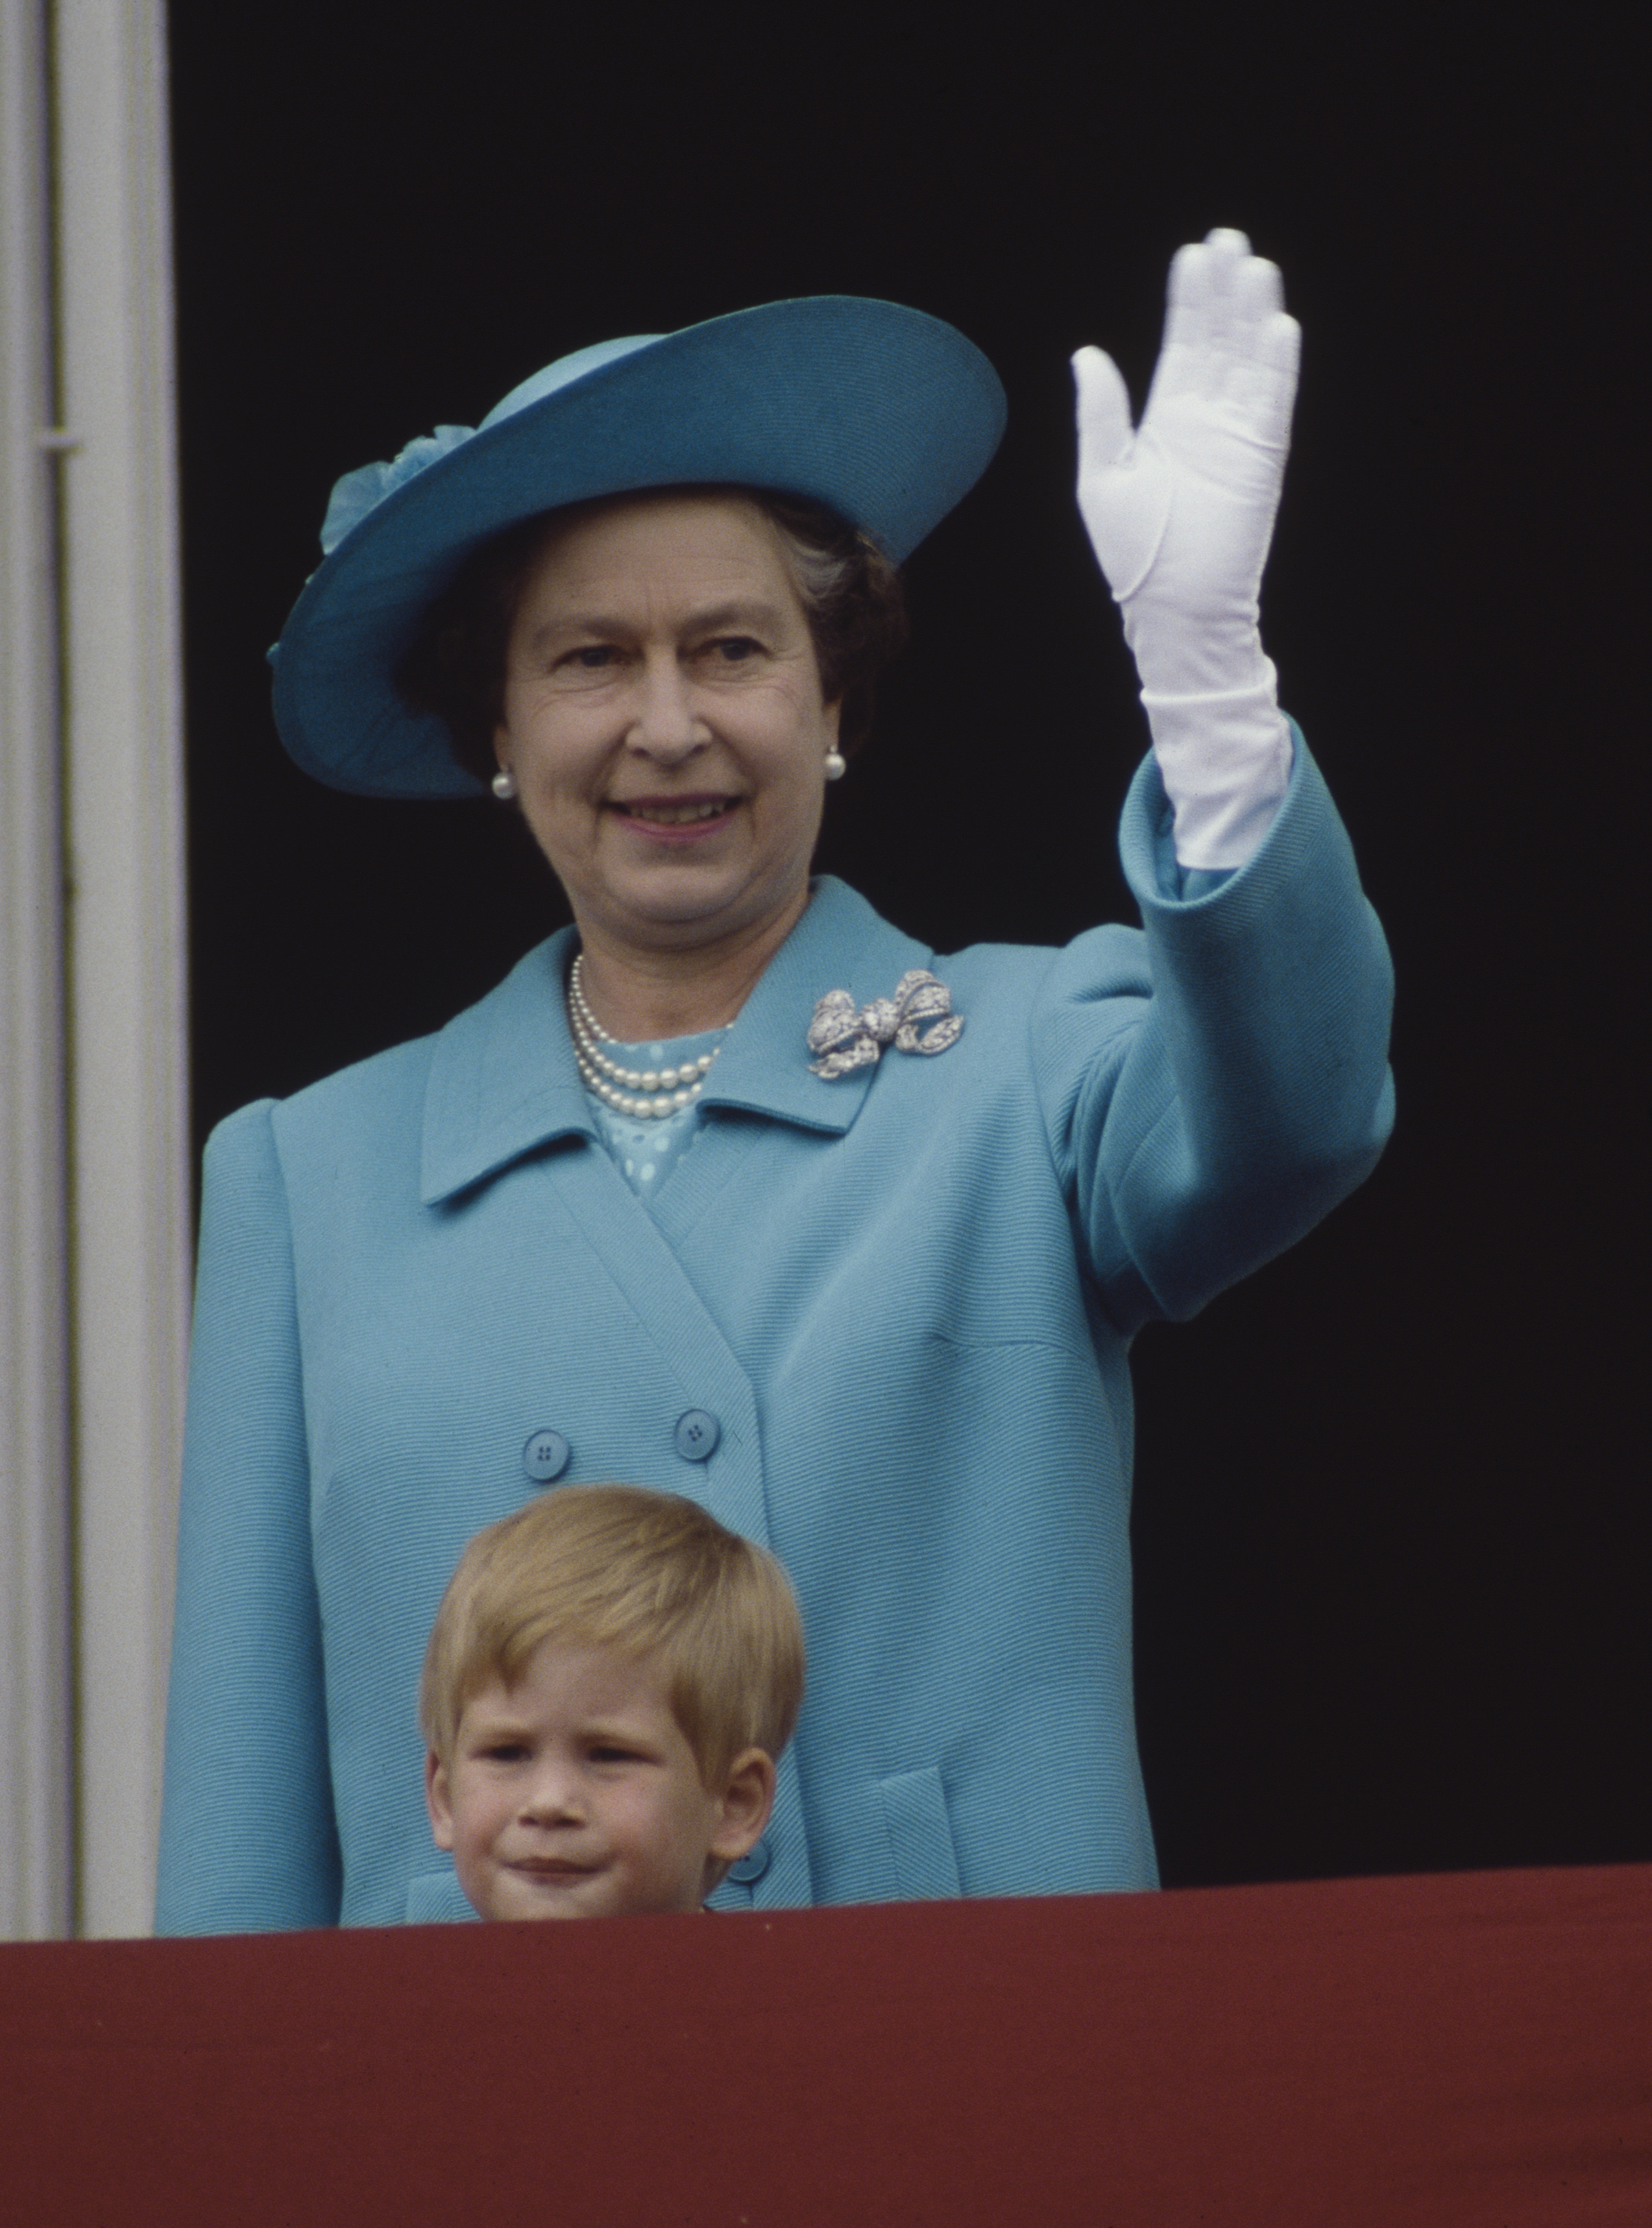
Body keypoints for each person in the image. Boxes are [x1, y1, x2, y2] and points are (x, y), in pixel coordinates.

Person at [158, 232, 1395, 1930]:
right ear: (498, 731)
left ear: (834, 704)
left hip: (954, 2045)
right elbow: (240, 1823)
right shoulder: (309, 1176)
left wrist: (1209, 692)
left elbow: (1298, 1114)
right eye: (590, 659)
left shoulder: (1025, 1057)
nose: (668, 726)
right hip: (475, 2078)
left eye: (731, 650)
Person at [420, 1485, 799, 1922]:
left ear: (734, 1803)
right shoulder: (406, 1971)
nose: (548, 1802)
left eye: (608, 1755)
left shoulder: (786, 1972)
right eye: (506, 1753)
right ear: (445, 1797)